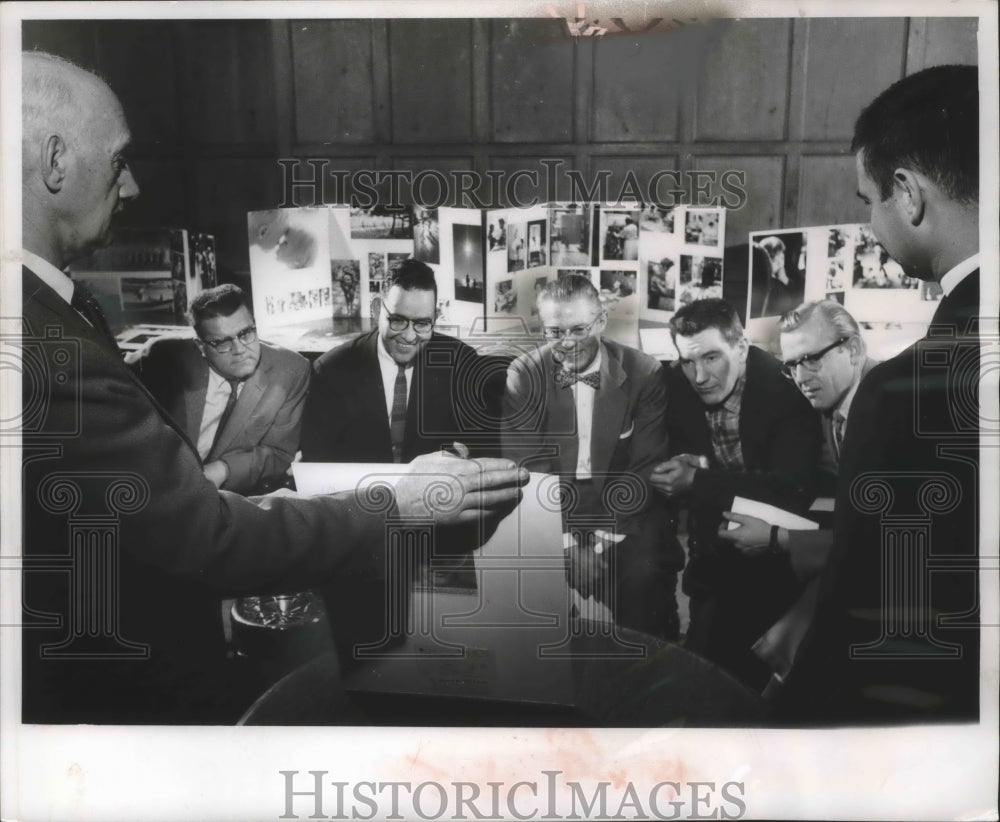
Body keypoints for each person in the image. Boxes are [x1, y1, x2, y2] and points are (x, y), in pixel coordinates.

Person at [18, 51, 526, 724]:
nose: (133, 185)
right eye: (118, 161)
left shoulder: (50, 309)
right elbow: (205, 536)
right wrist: (398, 504)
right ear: (56, 162)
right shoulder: (42, 340)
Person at [780, 65, 981, 724]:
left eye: (868, 200)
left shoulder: (904, 393)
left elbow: (863, 633)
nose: (869, 224)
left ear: (908, 193)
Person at [502, 275, 683, 640]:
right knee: (519, 599)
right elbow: (528, 470)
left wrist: (598, 544)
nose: (567, 343)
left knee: (647, 586)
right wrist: (567, 545)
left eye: (578, 329)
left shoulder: (644, 372)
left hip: (624, 503)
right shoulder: (523, 375)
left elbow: (644, 468)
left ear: (601, 321)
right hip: (549, 505)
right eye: (554, 331)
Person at [651, 298, 821, 687]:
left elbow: (789, 488)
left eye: (712, 358)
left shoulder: (785, 388)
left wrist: (697, 480)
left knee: (761, 681)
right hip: (713, 552)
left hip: (779, 560)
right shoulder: (677, 383)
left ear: (741, 347)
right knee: (700, 674)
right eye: (688, 361)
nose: (699, 376)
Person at [717, 300, 878, 688]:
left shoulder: (884, 408)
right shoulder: (835, 403)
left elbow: (876, 543)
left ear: (853, 350)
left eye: (811, 360)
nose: (801, 377)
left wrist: (778, 537)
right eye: (791, 365)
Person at [300, 258, 498, 463]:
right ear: (377, 309)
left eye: (422, 324)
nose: (410, 336)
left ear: (435, 317)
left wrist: (467, 459)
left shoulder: (463, 364)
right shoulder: (332, 370)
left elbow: (486, 453)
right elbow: (317, 462)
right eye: (398, 321)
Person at [133, 284, 309, 495]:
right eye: (222, 342)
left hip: (233, 498)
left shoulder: (290, 370)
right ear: (201, 346)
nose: (239, 349)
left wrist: (223, 470)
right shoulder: (164, 358)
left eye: (246, 333)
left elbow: (278, 453)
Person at [758, 235, 802, 316]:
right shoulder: (776, 287)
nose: (782, 262)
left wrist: (784, 279)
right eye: (781, 257)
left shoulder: (774, 281)